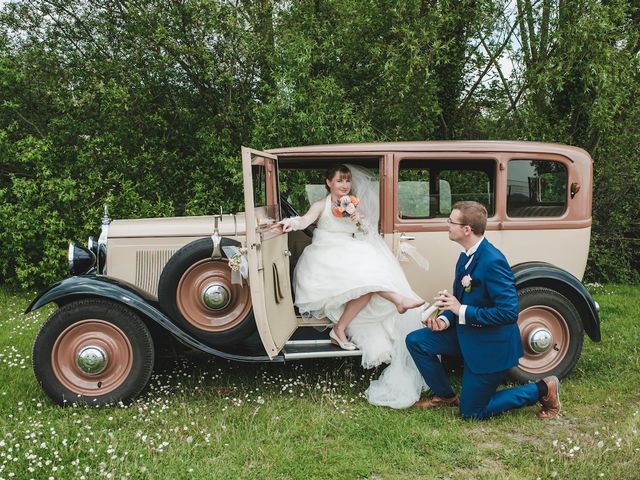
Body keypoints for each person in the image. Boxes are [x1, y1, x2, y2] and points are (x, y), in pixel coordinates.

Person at [279, 164, 429, 408]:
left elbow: (364, 232)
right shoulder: (322, 204)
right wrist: (290, 223)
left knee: (369, 279)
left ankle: (341, 328)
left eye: (347, 180)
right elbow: (305, 220)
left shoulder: (352, 203)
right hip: (325, 255)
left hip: (350, 249)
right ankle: (396, 301)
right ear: (329, 183)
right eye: (339, 180)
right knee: (365, 281)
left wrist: (358, 220)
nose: (344, 185)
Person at [405, 201, 561, 420]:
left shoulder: (492, 261)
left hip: (490, 346)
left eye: (451, 221)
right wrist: (445, 320)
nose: (447, 224)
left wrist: (462, 310)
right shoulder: (465, 256)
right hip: (466, 334)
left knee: (471, 413)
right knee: (417, 341)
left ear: (466, 229)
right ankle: (446, 396)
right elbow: (459, 299)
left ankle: (543, 389)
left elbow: (508, 312)